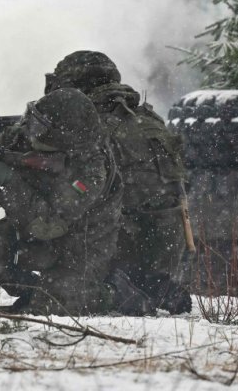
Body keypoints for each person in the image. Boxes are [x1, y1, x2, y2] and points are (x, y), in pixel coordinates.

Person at [45, 50, 192, 315]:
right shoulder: (150, 120)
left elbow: (74, 192)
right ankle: (151, 282)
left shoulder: (90, 126)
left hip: (119, 247)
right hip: (165, 250)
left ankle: (120, 286)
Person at [0, 87, 122, 314]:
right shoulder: (32, 137)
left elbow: (49, 225)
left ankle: (115, 293)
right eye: (34, 120)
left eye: (40, 126)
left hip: (83, 249)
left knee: (55, 302)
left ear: (63, 136)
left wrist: (10, 180)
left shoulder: (91, 172)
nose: (30, 130)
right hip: (42, 240)